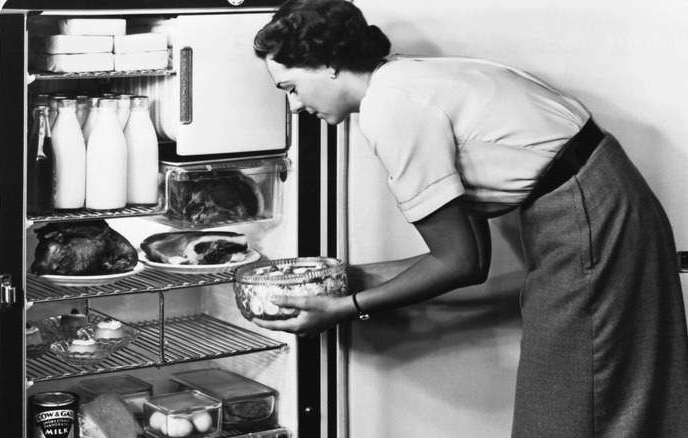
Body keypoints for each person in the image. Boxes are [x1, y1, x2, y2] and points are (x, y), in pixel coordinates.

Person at [251, 0, 688, 437]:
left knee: (571, 406)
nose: (293, 106)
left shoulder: (391, 107)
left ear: (327, 64)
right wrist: (347, 278)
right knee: (602, 393)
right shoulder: (404, 76)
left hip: (587, 215)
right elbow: (472, 261)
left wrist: (344, 308)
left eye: (290, 87)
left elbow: (457, 262)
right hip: (603, 200)